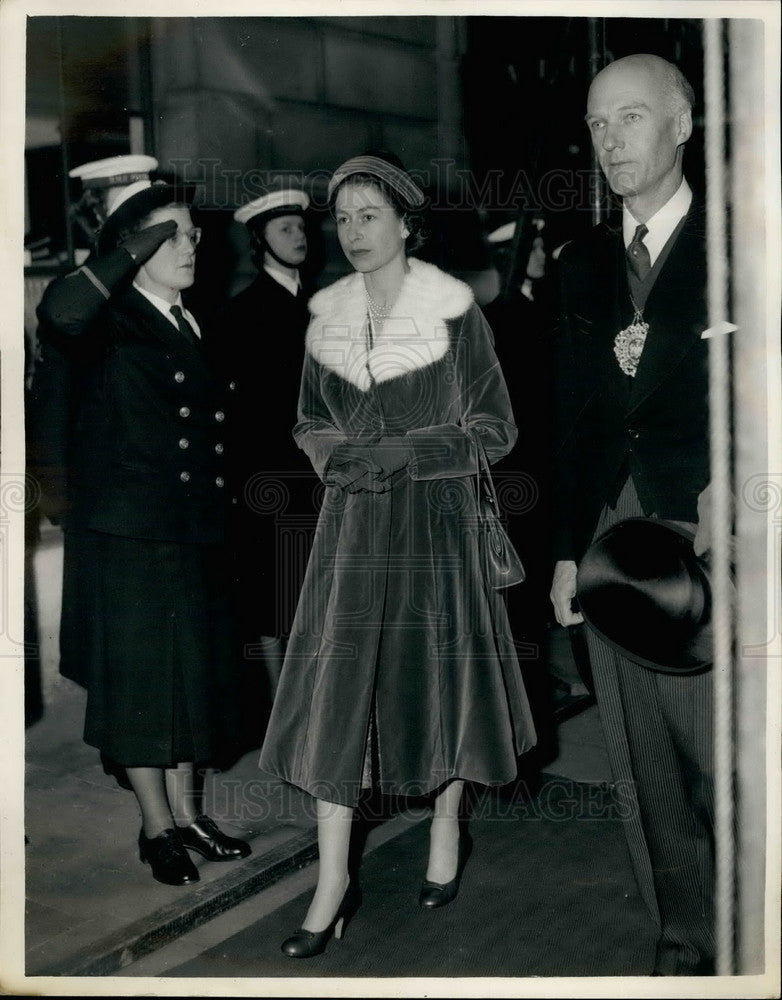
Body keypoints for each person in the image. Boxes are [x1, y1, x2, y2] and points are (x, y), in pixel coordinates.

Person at [258, 151, 537, 958]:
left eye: (369, 215)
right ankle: (333, 880)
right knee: (336, 701)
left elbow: (496, 429)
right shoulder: (328, 319)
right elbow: (309, 417)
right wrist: (330, 454)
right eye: (341, 218)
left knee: (439, 687)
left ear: (408, 224)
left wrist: (406, 455)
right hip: (351, 534)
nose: (352, 232)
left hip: (436, 529)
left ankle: (447, 825)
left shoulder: (455, 315)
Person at [30, 156, 251, 886]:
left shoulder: (189, 315)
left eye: (192, 234)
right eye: (175, 236)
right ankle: (155, 825)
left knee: (192, 678)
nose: (193, 247)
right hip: (128, 530)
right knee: (143, 686)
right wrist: (131, 245)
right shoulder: (105, 319)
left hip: (190, 526)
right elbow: (56, 311)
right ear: (138, 244)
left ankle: (189, 813)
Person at [549, 55, 715, 975]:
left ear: (682, 126)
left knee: (727, 760)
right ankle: (685, 934)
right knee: (642, 764)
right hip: (612, 545)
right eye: (597, 125)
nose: (610, 141)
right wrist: (568, 554)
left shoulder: (746, 245)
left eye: (631, 118)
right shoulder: (577, 265)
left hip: (710, 539)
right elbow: (568, 421)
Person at [218, 188, 318, 736]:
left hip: (317, 477)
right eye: (284, 230)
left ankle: (311, 710)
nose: (298, 236)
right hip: (271, 481)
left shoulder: (316, 305)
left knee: (309, 598)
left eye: (300, 227)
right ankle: (285, 718)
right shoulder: (245, 313)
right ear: (259, 242)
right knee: (273, 603)